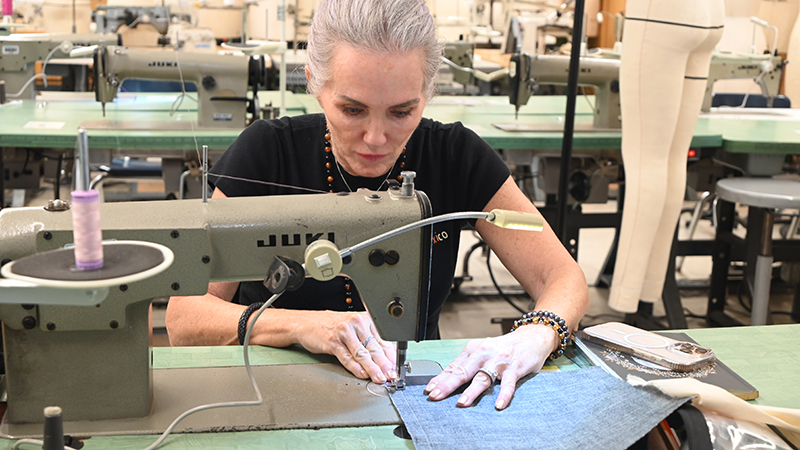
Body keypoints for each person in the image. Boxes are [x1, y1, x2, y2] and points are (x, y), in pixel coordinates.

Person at [166, 0, 588, 410]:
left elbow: (561, 275)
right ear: (315, 83)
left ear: (427, 92)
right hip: (268, 390)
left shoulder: (457, 155)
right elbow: (183, 318)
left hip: (422, 394)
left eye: (402, 112)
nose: (375, 138)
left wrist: (536, 335)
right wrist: (301, 324)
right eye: (352, 109)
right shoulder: (266, 152)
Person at [608, 0, 724, 313]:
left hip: (664, 13)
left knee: (646, 161)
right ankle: (647, 294)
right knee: (671, 159)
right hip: (710, 14)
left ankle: (625, 301)